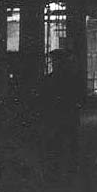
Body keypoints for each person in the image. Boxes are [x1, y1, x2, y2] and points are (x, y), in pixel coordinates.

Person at [37, 49, 86, 181]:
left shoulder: (49, 80)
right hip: (68, 115)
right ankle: (70, 170)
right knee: (70, 143)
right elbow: (81, 98)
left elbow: (42, 99)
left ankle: (57, 170)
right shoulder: (74, 79)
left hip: (57, 117)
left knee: (57, 144)